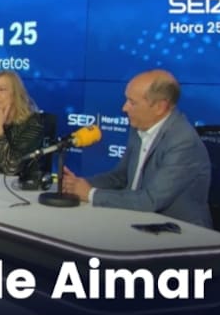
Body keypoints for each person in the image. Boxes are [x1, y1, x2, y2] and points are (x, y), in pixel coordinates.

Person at [62, 69, 212, 228]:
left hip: (177, 231)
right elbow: (119, 178)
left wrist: (90, 194)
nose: (124, 108)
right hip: (134, 220)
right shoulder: (139, 127)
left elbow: (150, 201)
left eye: (132, 102)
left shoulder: (183, 142)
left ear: (160, 107)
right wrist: (80, 184)